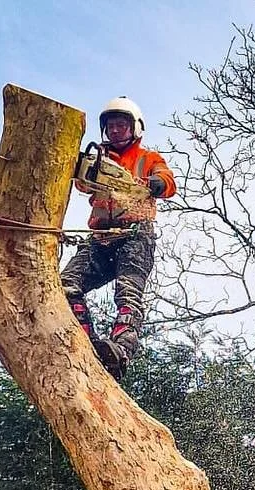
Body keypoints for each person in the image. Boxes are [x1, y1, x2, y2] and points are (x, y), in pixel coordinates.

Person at [62, 97, 176, 379]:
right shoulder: (99, 156)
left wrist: (157, 183)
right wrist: (87, 165)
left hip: (135, 236)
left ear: (133, 127)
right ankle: (85, 340)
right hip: (100, 238)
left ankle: (121, 349)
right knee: (65, 285)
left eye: (121, 126)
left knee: (128, 293)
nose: (115, 131)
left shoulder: (147, 159)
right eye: (111, 126)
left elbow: (168, 181)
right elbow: (82, 184)